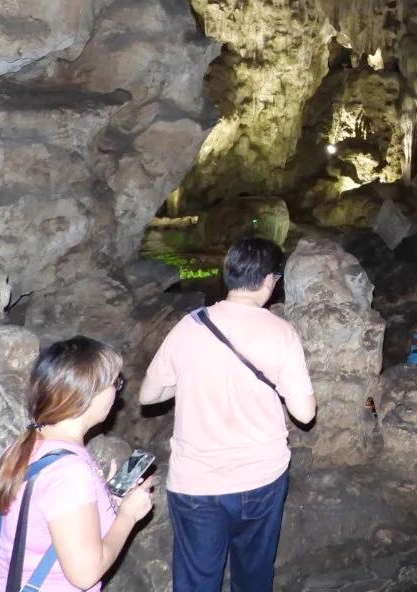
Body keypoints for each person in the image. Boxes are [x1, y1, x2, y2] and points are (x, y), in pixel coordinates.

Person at [139, 237, 316, 592]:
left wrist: (190, 378)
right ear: (269, 280)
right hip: (260, 479)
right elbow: (305, 413)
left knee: (197, 581)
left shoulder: (189, 326)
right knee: (253, 576)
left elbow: (148, 395)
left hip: (197, 484)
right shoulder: (281, 333)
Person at [0, 336, 155, 592]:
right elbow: (85, 574)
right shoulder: (69, 472)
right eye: (114, 383)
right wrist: (128, 515)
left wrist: (106, 499)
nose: (116, 393)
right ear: (87, 393)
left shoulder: (31, 445)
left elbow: (54, 522)